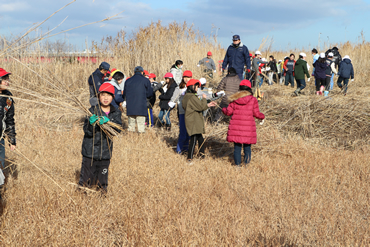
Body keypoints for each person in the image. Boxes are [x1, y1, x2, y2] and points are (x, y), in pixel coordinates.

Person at [78, 83, 122, 193]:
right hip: (90, 151)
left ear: (113, 97)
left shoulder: (115, 113)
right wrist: (91, 124)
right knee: (86, 177)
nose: (105, 98)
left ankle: (102, 196)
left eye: (109, 95)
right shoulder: (92, 111)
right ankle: (82, 195)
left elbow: (117, 130)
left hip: (105, 151)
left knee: (102, 178)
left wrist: (109, 123)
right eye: (103, 95)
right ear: (98, 96)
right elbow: (87, 132)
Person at [222, 79, 264, 166]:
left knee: (237, 148)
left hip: (236, 128)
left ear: (240, 88)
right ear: (249, 89)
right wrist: (262, 116)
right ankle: (246, 165)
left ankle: (237, 165)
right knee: (247, 148)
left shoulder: (234, 99)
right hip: (248, 128)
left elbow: (228, 112)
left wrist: (223, 109)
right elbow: (256, 114)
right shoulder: (253, 100)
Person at [182, 79, 217, 162]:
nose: (197, 88)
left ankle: (202, 156)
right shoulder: (192, 97)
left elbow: (197, 106)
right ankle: (189, 158)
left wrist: (208, 105)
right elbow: (201, 106)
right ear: (192, 87)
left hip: (193, 120)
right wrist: (204, 99)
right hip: (194, 120)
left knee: (200, 138)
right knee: (194, 139)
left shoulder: (187, 96)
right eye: (197, 86)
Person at [123, 66, 153, 133]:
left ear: (134, 72)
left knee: (131, 126)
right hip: (141, 106)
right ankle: (140, 140)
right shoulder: (145, 80)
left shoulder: (128, 81)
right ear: (142, 72)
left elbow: (124, 94)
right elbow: (150, 93)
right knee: (141, 127)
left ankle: (131, 140)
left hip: (130, 107)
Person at [0, 68, 16, 171]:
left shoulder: (8, 98)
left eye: (8, 79)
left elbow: (9, 120)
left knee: (0, 168)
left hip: (0, 139)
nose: (7, 82)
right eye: (4, 79)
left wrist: (12, 140)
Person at [175, 70, 192, 154]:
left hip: (191, 113)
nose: (186, 79)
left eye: (188, 77)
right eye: (185, 77)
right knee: (182, 132)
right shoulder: (180, 88)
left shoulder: (193, 87)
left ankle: (186, 149)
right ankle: (178, 150)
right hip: (182, 112)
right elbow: (174, 97)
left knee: (188, 133)